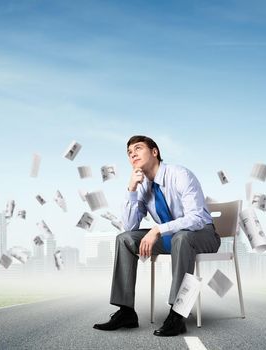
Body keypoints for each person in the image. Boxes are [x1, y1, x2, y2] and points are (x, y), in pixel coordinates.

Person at [93, 135, 220, 337]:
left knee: (183, 238)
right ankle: (126, 312)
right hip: (173, 237)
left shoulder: (180, 174)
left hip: (202, 234)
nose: (132, 153)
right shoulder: (142, 185)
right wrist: (131, 190)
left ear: (155, 152)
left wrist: (157, 229)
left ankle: (178, 315)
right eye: (129, 152)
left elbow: (195, 218)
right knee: (124, 239)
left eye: (138, 148)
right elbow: (129, 227)